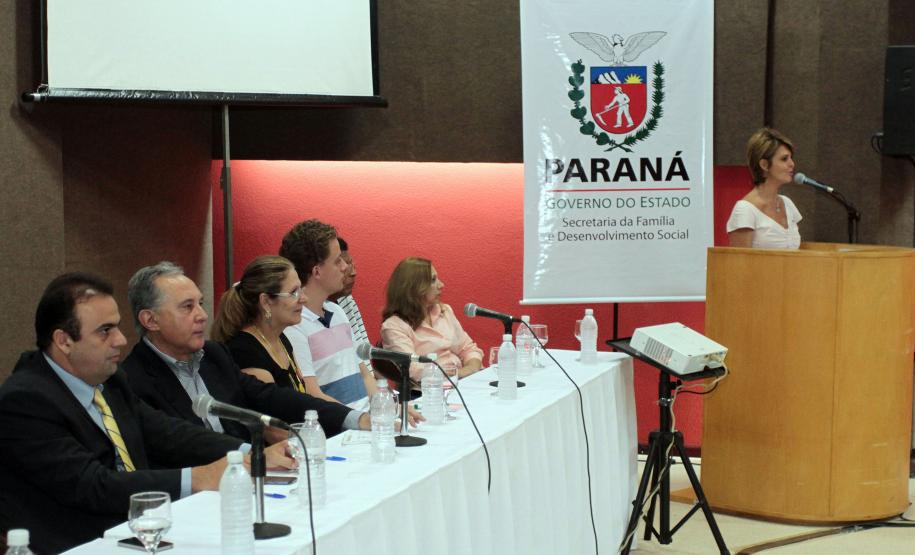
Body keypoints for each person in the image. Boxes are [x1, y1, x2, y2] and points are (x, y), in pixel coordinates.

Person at [0, 273, 291, 554]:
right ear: (64, 341)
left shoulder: (110, 380)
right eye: (105, 331)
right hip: (81, 541)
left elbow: (167, 433)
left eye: (116, 326)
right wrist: (199, 477)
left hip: (142, 531)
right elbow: (92, 485)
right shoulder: (25, 401)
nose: (120, 340)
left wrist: (247, 454)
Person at [123, 261, 367, 443]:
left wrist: (353, 418)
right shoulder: (132, 379)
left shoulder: (214, 356)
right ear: (150, 320)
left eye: (201, 303)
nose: (202, 315)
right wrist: (249, 455)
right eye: (188, 307)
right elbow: (180, 443)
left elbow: (272, 397)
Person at [280, 220, 378, 408]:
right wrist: (360, 420)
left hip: (366, 423)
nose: (345, 267)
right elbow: (313, 394)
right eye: (337, 261)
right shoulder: (294, 325)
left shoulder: (337, 311)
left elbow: (364, 374)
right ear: (317, 271)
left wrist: (389, 409)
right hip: (341, 429)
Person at [380, 257, 483, 383]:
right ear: (414, 288)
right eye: (433, 280)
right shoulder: (394, 326)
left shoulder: (444, 311)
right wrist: (458, 373)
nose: (441, 285)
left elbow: (467, 348)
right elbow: (414, 370)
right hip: (429, 392)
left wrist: (472, 368)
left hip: (463, 381)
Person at [727, 127, 803, 248]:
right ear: (764, 165)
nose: (792, 164)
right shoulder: (745, 210)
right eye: (784, 159)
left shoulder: (788, 204)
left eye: (791, 158)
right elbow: (739, 264)